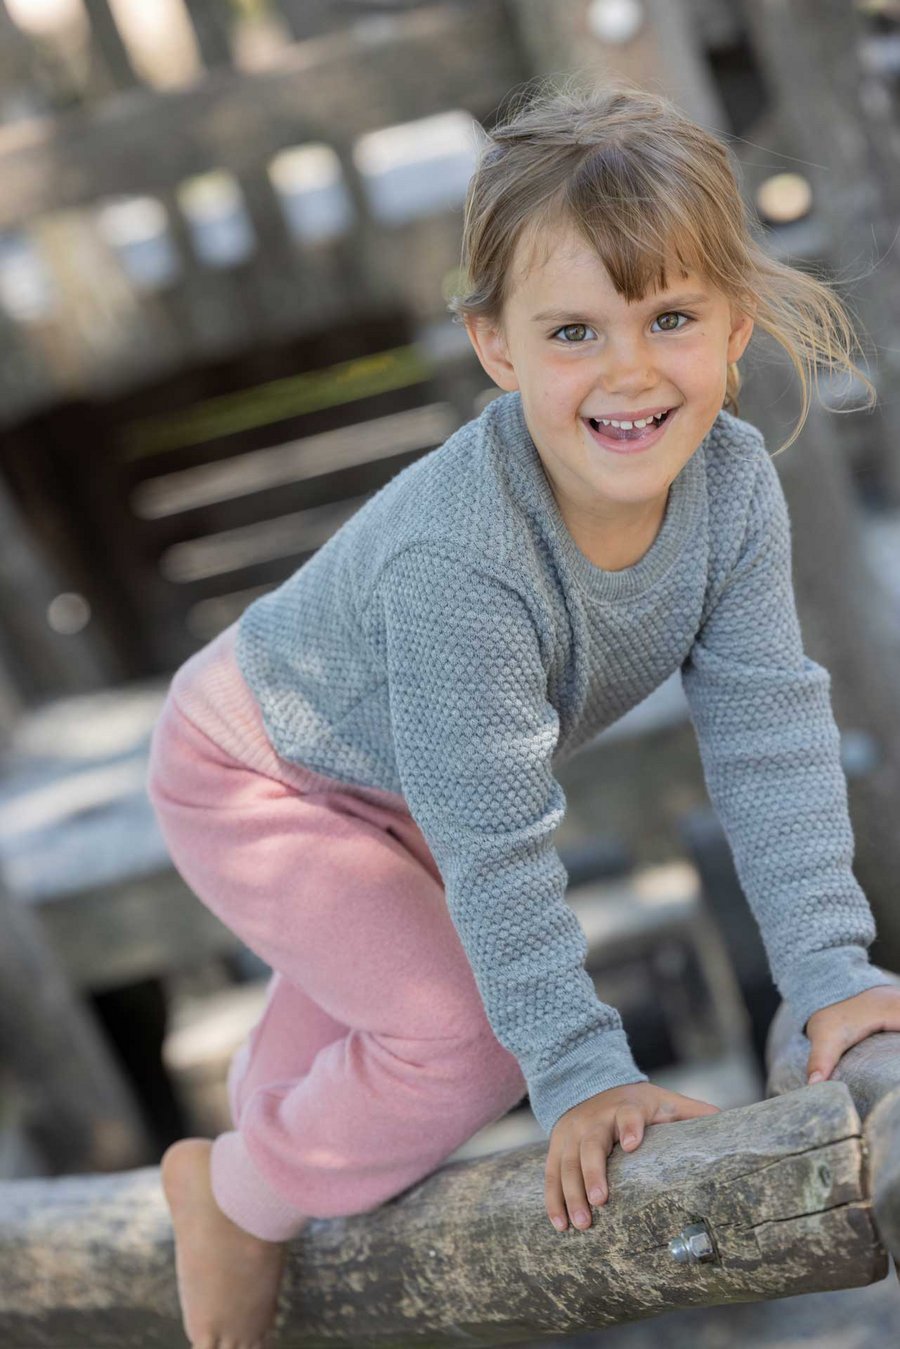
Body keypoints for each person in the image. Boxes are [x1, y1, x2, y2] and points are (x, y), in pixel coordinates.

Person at [148, 77, 900, 1348]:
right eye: (572, 333)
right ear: (494, 346)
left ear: (736, 326)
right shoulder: (467, 563)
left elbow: (769, 733)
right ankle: (228, 1195)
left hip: (406, 779)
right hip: (261, 772)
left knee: (405, 996)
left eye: (670, 315)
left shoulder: (729, 489)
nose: (628, 371)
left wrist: (830, 972)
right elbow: (498, 849)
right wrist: (582, 1072)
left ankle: (279, 1122)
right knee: (459, 1042)